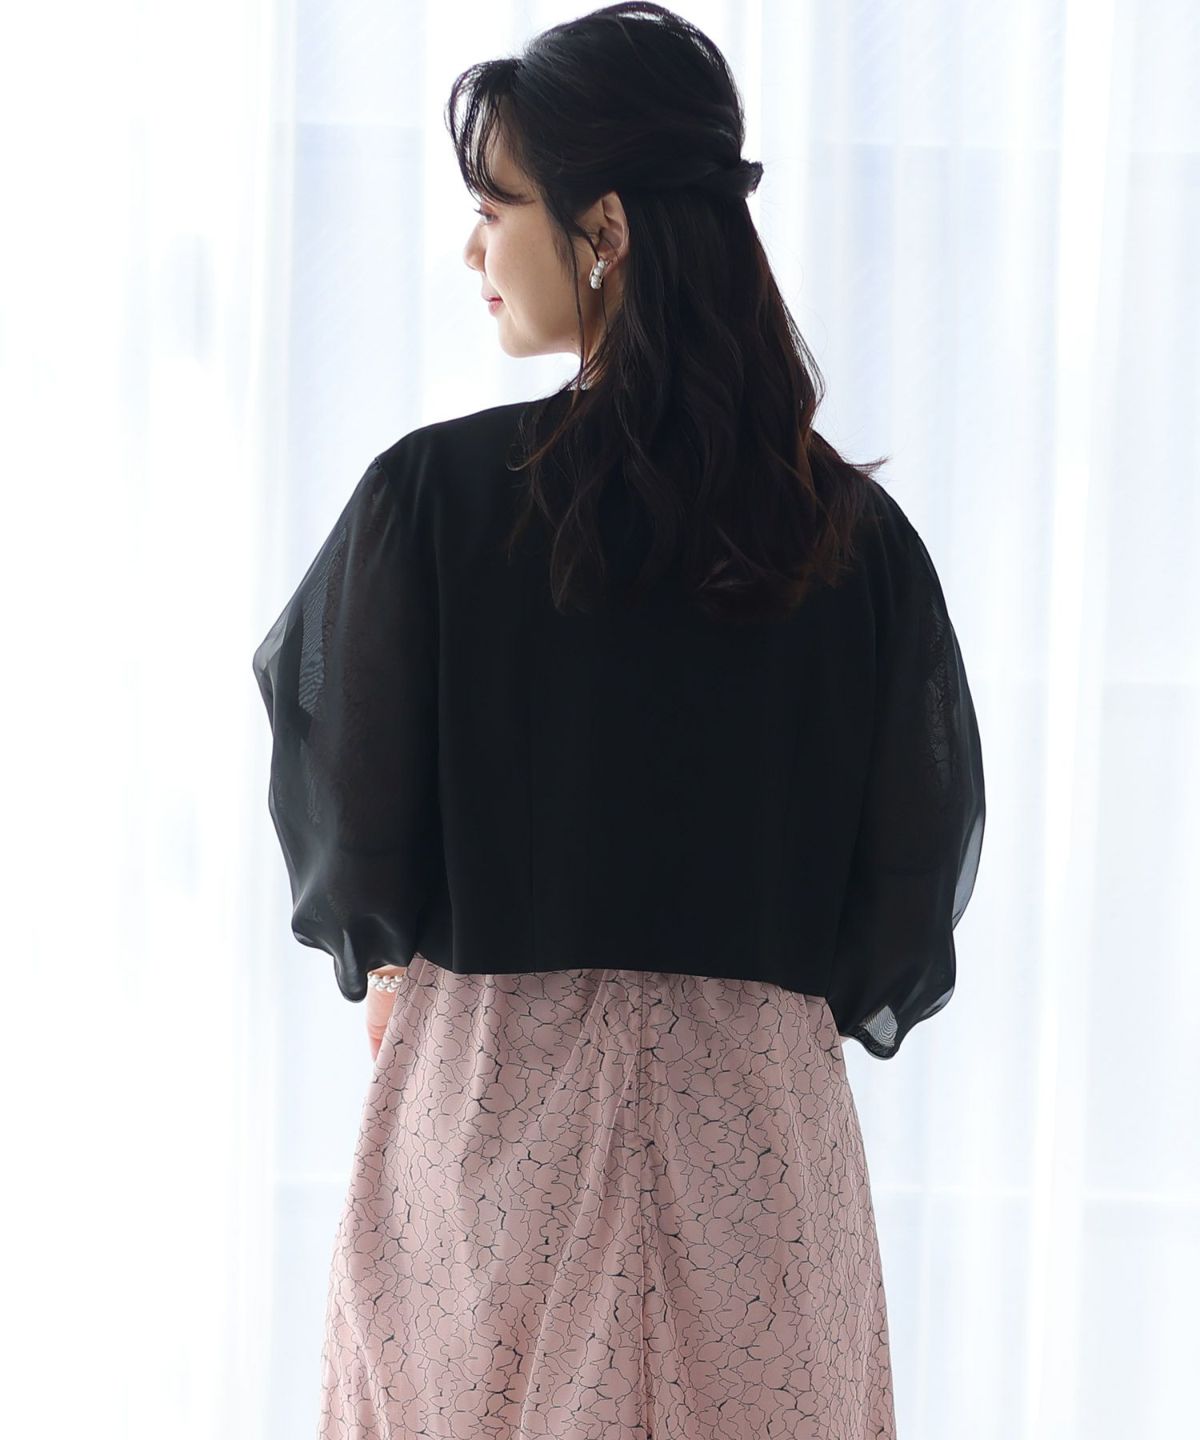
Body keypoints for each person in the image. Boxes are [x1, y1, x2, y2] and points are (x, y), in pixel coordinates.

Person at [251, 5, 985, 1436]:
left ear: (605, 228)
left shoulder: (431, 504)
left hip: (493, 1122)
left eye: (494, 210)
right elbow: (907, 891)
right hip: (757, 1142)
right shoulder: (855, 541)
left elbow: (351, 832)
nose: (473, 252)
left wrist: (403, 965)